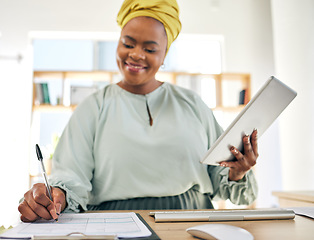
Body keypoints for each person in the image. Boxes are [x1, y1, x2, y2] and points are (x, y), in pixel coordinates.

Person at [18, 0, 258, 222]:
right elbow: (71, 177)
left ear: (164, 55)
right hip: (113, 223)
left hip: (192, 221)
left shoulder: (193, 104)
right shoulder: (93, 107)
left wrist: (237, 172)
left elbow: (222, 177)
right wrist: (56, 195)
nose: (136, 54)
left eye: (150, 49)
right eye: (128, 43)